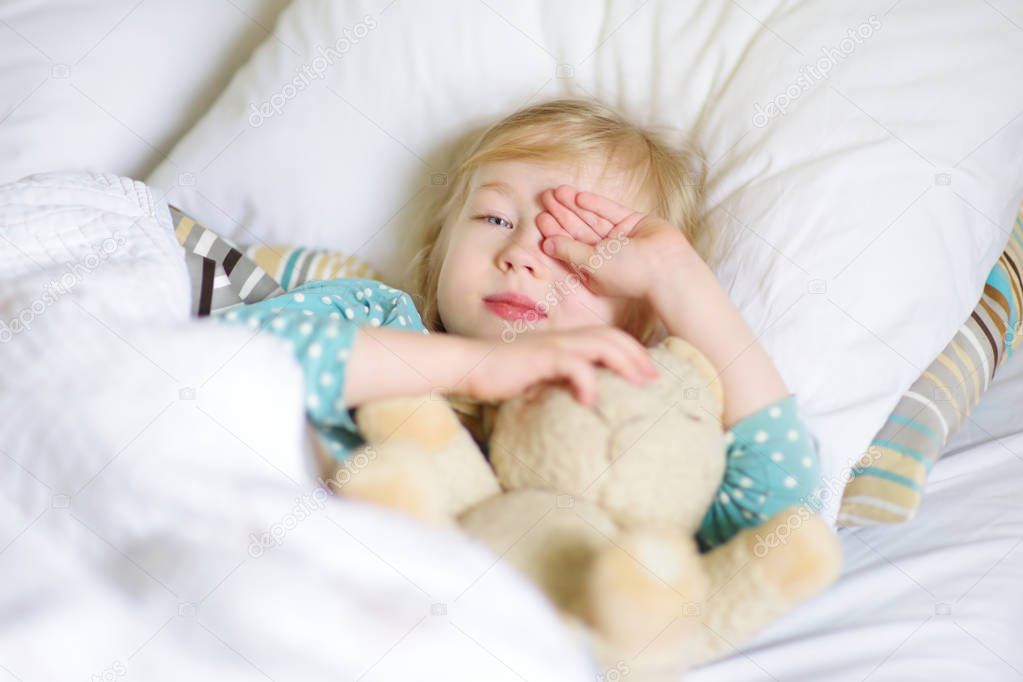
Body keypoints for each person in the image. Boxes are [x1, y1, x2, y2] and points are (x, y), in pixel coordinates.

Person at [214, 97, 821, 549]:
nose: (524, 255)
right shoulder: (374, 319)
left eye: (580, 248)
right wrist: (481, 366)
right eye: (497, 220)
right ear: (439, 252)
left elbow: (777, 521)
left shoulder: (628, 431)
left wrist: (679, 283)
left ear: (642, 324)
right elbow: (230, 361)